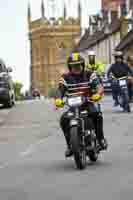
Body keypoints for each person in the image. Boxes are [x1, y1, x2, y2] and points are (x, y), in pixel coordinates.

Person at [54, 52, 107, 157]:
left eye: (78, 65)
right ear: (70, 67)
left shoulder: (90, 74)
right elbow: (60, 90)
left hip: (88, 102)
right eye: (73, 66)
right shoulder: (65, 78)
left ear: (82, 65)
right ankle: (70, 145)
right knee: (64, 120)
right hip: (73, 106)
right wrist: (58, 99)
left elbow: (98, 86)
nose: (76, 68)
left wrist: (98, 93)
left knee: (97, 114)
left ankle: (101, 139)